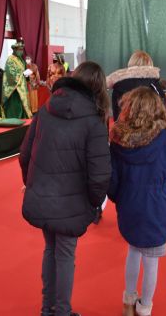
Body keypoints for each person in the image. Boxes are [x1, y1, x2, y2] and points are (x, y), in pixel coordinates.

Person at [20, 61, 111, 316]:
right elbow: (100, 175)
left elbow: (24, 154)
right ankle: (61, 311)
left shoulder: (46, 109)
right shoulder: (94, 122)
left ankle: (47, 309)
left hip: (44, 194)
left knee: (51, 250)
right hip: (72, 202)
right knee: (64, 255)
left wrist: (32, 184)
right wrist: (95, 204)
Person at [108, 86, 166, 316]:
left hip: (128, 205)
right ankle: (144, 308)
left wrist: (120, 198)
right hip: (155, 207)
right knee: (151, 260)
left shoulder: (118, 138)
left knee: (133, 249)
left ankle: (128, 301)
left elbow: (112, 180)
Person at [107, 50, 166, 121]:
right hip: (150, 127)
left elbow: (116, 112)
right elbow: (163, 109)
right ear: (150, 66)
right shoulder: (154, 83)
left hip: (125, 127)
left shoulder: (118, 85)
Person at [2, 39, 32, 119]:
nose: (21, 52)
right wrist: (22, 75)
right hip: (14, 88)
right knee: (15, 104)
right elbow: (10, 73)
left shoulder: (21, 60)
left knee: (23, 102)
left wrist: (27, 75)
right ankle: (14, 118)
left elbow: (24, 70)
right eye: (19, 50)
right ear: (15, 50)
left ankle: (23, 117)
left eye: (22, 50)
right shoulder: (10, 59)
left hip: (22, 85)